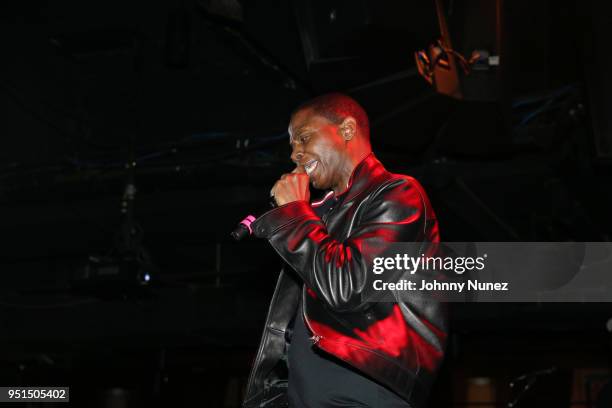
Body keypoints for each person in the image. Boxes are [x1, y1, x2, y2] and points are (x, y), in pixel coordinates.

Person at [242, 93, 447, 408]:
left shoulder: (398, 194)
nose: (296, 153)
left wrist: (296, 213)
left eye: (304, 138)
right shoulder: (319, 216)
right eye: (292, 146)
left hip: (362, 391)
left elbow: (347, 286)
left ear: (347, 129)